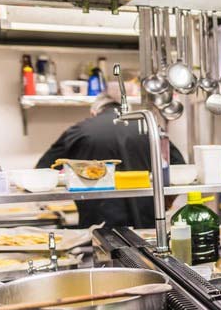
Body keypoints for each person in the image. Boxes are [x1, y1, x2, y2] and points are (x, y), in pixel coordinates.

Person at [36, 92, 185, 228]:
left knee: (102, 254)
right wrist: (165, 202)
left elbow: (42, 170)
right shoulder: (147, 127)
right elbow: (179, 166)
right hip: (146, 218)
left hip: (98, 220)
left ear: (94, 112)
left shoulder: (80, 130)